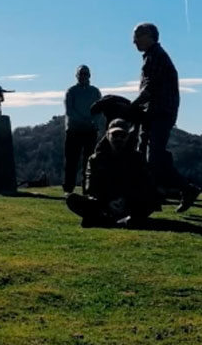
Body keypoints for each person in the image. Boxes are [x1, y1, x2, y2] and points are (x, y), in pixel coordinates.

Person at [131, 22, 199, 212]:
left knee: (154, 158)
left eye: (137, 35)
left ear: (150, 36)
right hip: (151, 113)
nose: (133, 41)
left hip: (159, 113)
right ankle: (151, 194)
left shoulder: (156, 57)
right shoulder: (152, 56)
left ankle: (186, 189)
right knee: (143, 154)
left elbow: (149, 89)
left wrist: (131, 107)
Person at [67, 117, 161, 228]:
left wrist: (125, 199)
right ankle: (120, 221)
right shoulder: (95, 159)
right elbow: (90, 186)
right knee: (72, 199)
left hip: (130, 203)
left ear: (128, 137)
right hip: (103, 203)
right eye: (115, 135)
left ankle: (103, 220)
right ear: (107, 136)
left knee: (154, 197)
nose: (119, 138)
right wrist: (108, 201)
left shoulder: (137, 158)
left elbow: (145, 183)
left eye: (122, 135)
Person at [63, 65, 103, 195]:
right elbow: (69, 111)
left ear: (89, 76)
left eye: (85, 74)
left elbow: (99, 110)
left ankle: (88, 188)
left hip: (90, 131)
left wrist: (93, 122)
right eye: (81, 74)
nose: (83, 76)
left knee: (89, 161)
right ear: (77, 76)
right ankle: (69, 188)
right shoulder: (71, 91)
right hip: (74, 130)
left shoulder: (95, 91)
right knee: (71, 161)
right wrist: (84, 120)